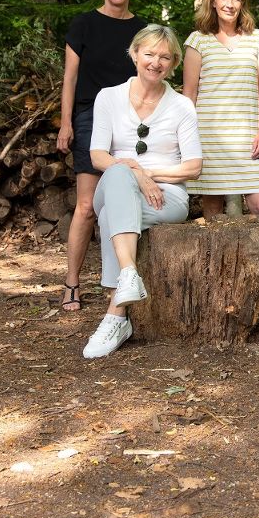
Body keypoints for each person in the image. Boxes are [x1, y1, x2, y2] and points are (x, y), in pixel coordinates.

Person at [82, 25, 202, 358]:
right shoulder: (108, 96)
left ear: (174, 62)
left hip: (167, 197)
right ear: (134, 54)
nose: (156, 62)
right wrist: (134, 172)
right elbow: (97, 156)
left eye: (165, 57)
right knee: (119, 175)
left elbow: (193, 166)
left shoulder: (181, 106)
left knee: (111, 215)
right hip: (117, 184)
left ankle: (118, 311)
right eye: (149, 54)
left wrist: (147, 172)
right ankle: (127, 284)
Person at [56, 0, 148, 312]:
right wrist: (66, 122)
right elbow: (70, 78)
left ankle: (127, 281)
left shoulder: (141, 29)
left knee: (134, 199)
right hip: (91, 116)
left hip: (131, 118)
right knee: (86, 206)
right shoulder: (83, 24)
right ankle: (71, 284)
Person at [183, 0, 259, 218]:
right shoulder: (197, 41)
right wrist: (187, 137)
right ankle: (218, 258)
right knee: (213, 209)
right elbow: (189, 93)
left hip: (248, 137)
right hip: (209, 137)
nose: (229, 4)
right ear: (213, 1)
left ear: (242, 3)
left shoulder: (257, 39)